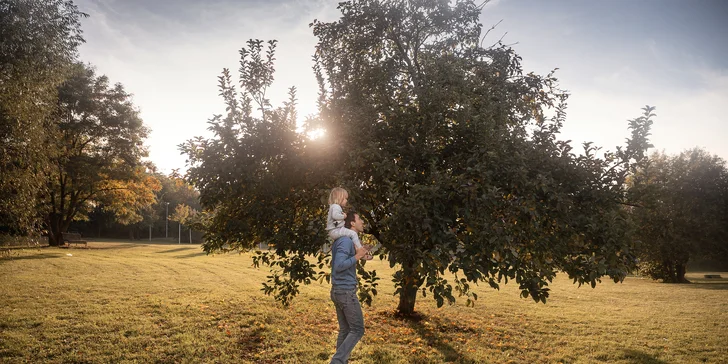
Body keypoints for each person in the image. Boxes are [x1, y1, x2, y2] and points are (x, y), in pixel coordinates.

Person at [330, 211, 369, 364]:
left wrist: (361, 252)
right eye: (360, 219)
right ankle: (337, 361)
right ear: (352, 223)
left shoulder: (346, 241)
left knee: (346, 330)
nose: (362, 222)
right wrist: (358, 256)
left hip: (340, 291)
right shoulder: (346, 240)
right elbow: (339, 265)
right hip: (345, 292)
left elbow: (345, 260)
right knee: (358, 329)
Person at [327, 187, 372, 260]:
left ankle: (361, 251)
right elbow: (335, 216)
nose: (346, 200)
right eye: (345, 198)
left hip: (336, 230)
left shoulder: (334, 207)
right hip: (335, 230)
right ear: (339, 198)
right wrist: (343, 216)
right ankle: (360, 251)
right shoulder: (335, 206)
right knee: (353, 234)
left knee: (352, 236)